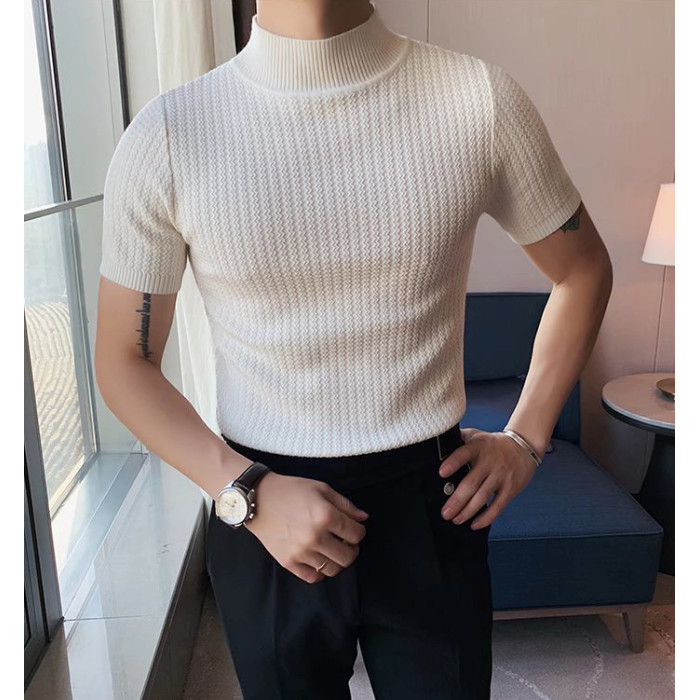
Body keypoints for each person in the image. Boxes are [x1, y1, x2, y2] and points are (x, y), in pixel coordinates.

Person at [95, 1, 613, 698]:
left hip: (432, 501)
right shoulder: (168, 136)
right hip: (261, 504)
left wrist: (526, 439)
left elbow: (584, 270)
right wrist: (244, 491)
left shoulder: (479, 101)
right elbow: (123, 360)